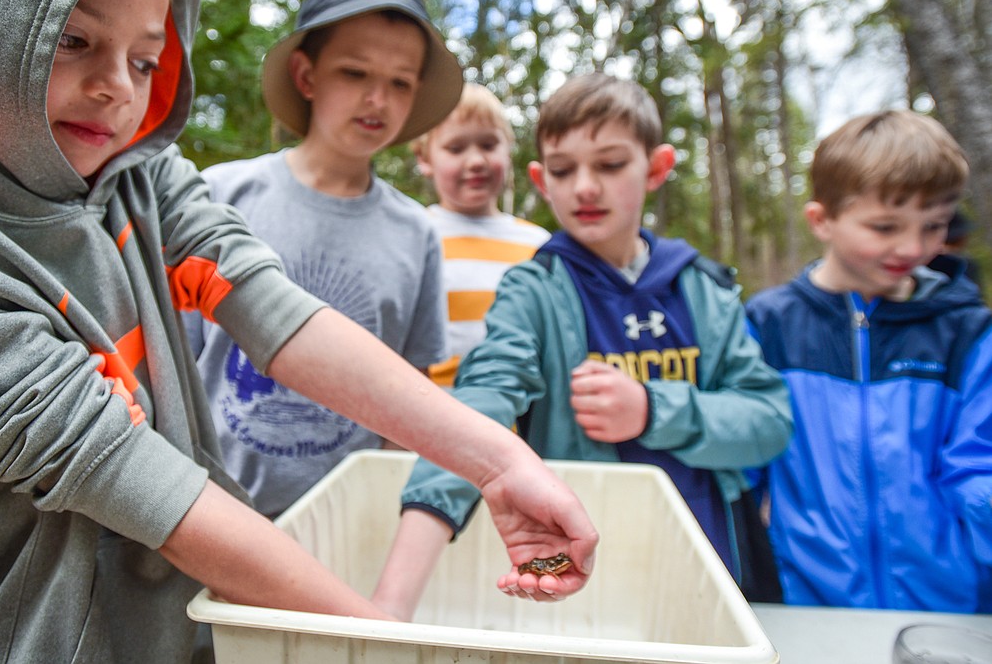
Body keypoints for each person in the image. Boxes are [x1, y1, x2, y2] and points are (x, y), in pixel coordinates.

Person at [0, 0, 598, 662]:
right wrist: (384, 641)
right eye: (71, 40)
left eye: (145, 58)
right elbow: (132, 479)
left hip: (210, 631)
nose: (119, 90)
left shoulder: (133, 179)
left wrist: (501, 462)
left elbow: (270, 308)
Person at [371, 72, 793, 620]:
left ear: (657, 167)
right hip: (576, 576)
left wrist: (651, 410)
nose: (585, 187)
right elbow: (483, 400)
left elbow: (769, 421)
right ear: (542, 181)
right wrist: (391, 602)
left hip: (707, 566)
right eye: (564, 170)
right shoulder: (532, 289)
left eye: (611, 165)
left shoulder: (705, 289)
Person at [184, 0, 459, 518]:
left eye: (400, 82)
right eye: (354, 73)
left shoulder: (416, 233)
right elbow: (177, 360)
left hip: (343, 522)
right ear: (307, 77)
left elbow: (412, 395)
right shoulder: (220, 195)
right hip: (215, 513)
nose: (377, 99)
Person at [745, 110, 992, 612]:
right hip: (804, 607)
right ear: (823, 220)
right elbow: (743, 466)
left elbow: (978, 466)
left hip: (951, 609)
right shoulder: (769, 325)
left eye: (934, 226)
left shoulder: (967, 331)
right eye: (885, 226)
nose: (913, 247)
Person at [410, 83, 551, 387]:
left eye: (488, 145)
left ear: (508, 150)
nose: (475, 161)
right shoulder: (413, 235)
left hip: (520, 427)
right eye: (456, 148)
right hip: (434, 423)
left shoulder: (539, 245)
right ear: (424, 158)